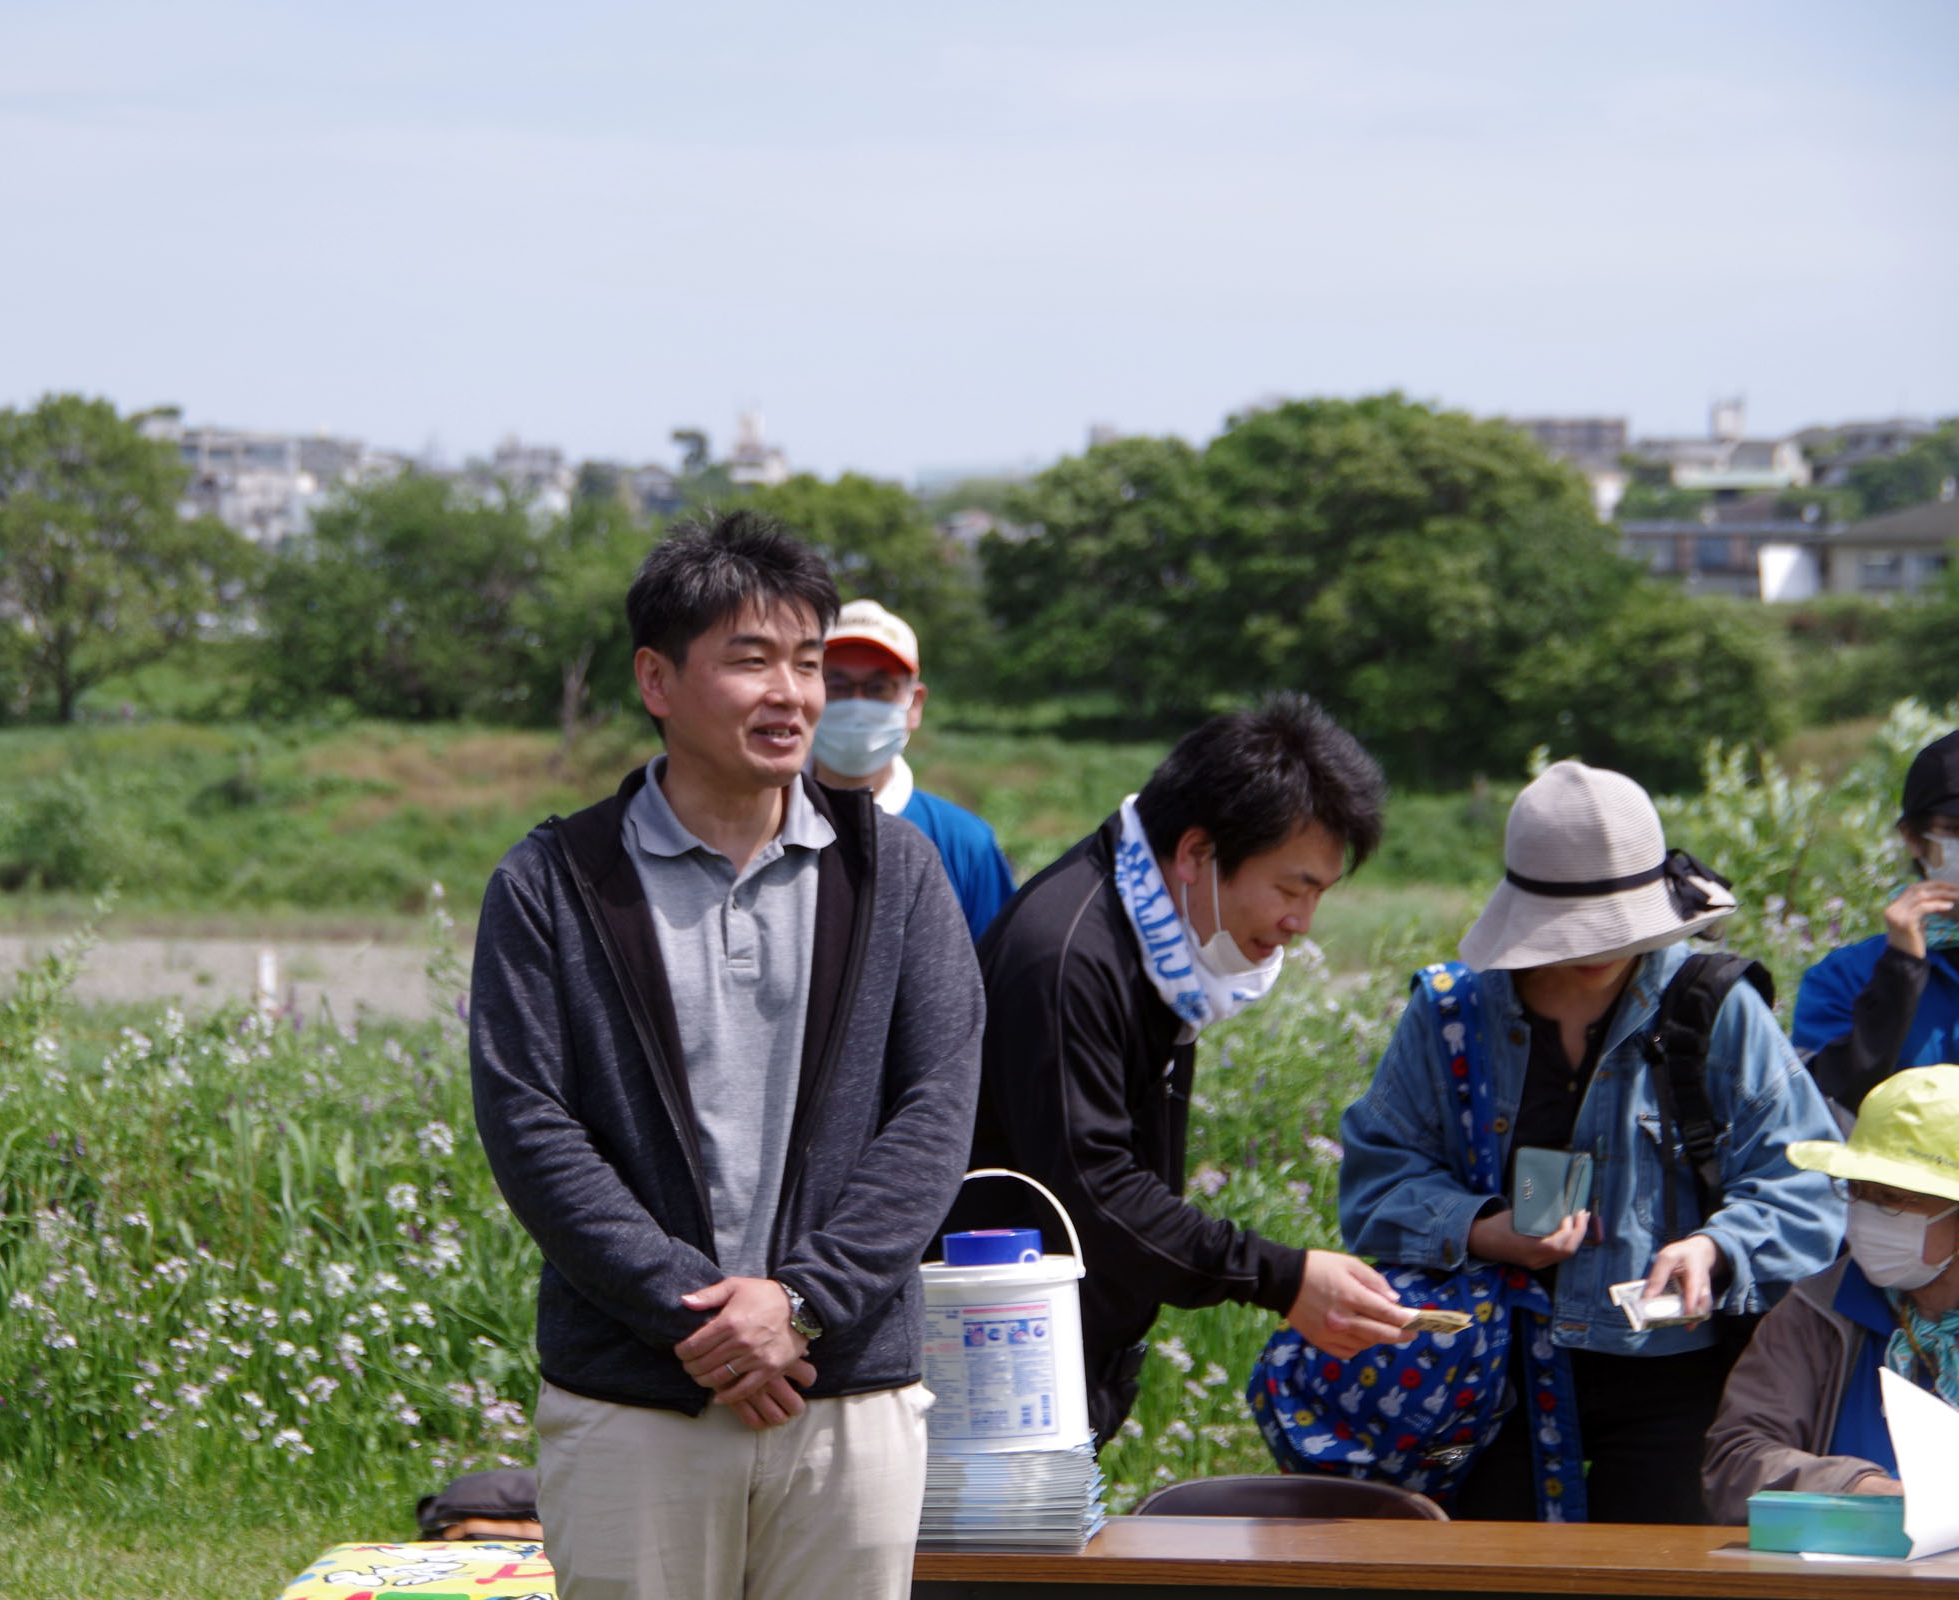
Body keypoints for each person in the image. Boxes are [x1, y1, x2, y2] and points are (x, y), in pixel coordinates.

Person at [468, 509, 984, 1600]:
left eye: (809, 662)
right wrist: (702, 1315)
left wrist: (799, 1303)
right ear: (658, 681)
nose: (793, 694)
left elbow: (936, 1109)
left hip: (844, 1389)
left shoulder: (898, 874)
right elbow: (530, 1123)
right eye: (751, 660)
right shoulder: (553, 883)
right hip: (639, 1399)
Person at [1340, 760, 1845, 1525]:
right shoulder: (1451, 1014)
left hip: (1673, 1382)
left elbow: (1806, 1184)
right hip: (1484, 1380)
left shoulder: (1714, 1009)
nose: (1602, 948)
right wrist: (1483, 1231)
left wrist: (1717, 1248)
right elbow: (1375, 1181)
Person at [967, 694, 1411, 1448]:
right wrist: (1281, 1278)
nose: (1301, 923)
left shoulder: (1161, 938)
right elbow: (1093, 1194)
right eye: (1290, 887)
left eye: (1319, 895)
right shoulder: (1069, 955)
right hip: (996, 1372)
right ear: (1197, 854)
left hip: (1063, 1356)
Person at [1704, 1064, 1959, 1523]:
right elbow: (1735, 1461)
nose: (1866, 1214)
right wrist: (1857, 1488)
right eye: (1857, 1191)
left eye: (1893, 1197)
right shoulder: (1815, 1310)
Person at [811, 599, 1015, 941]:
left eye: (879, 688)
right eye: (837, 685)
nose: (858, 704)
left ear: (914, 704)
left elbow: (996, 980)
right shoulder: (762, 828)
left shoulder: (965, 843)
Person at [1792, 730, 1959, 1112]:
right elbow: (1822, 1107)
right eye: (1956, 830)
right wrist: (1900, 976)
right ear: (1915, 839)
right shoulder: (1842, 979)